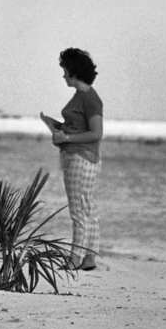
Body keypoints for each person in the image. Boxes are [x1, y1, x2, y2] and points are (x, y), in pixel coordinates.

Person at [41, 48, 103, 271]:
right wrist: (57, 127)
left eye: (65, 71)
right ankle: (89, 258)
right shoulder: (84, 96)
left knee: (78, 210)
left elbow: (96, 133)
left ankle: (75, 258)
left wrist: (64, 136)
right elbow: (80, 128)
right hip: (83, 156)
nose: (63, 76)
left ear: (74, 72)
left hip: (80, 158)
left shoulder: (89, 99)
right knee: (88, 209)